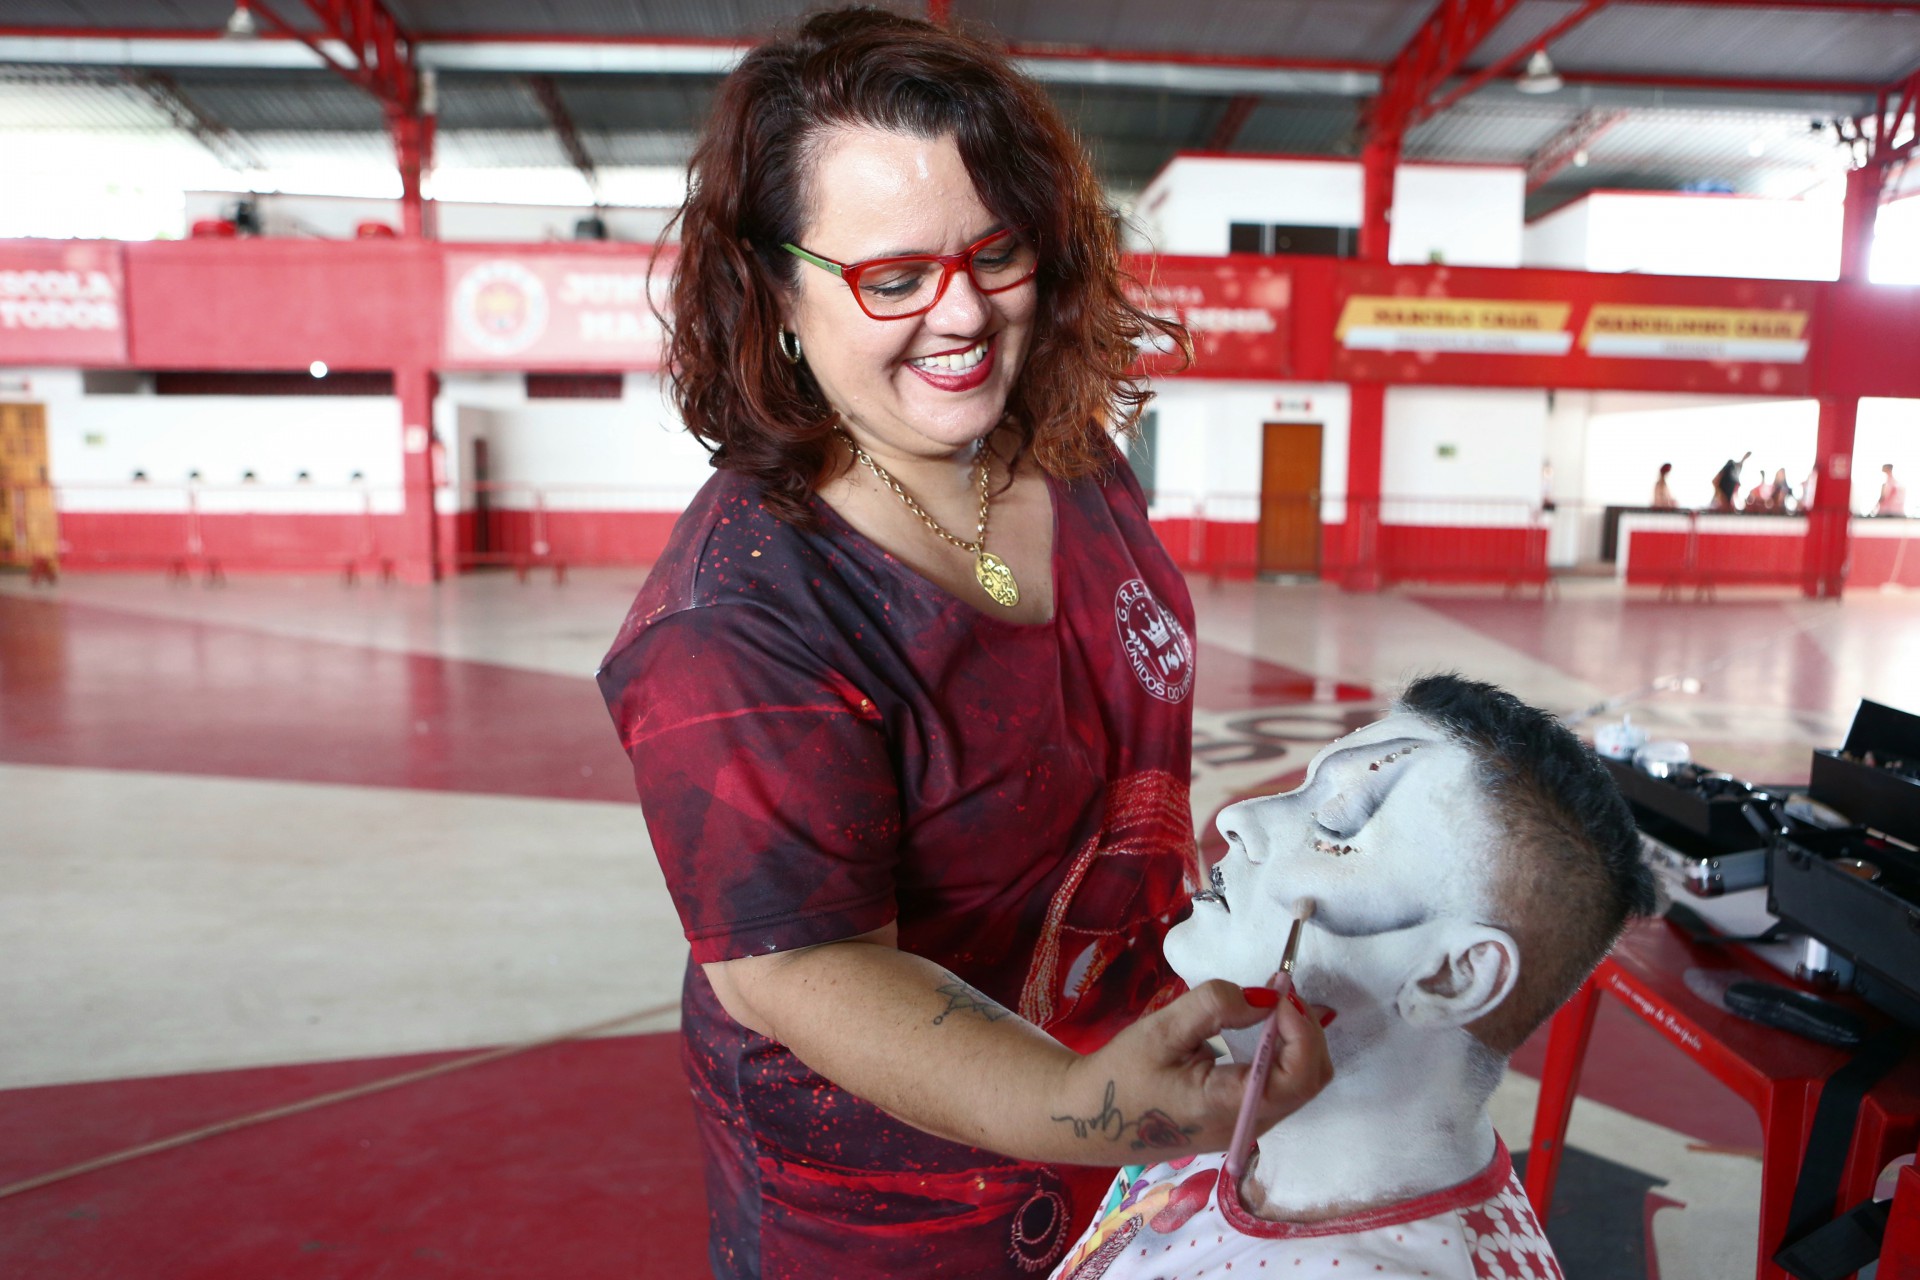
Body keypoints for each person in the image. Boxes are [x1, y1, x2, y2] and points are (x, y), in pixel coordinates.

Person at [596, 11, 1332, 1278]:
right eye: (893, 278)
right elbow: (798, 968)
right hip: (894, 1208)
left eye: (996, 252)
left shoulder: (1072, 456)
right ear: (777, 288)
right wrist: (1087, 1102)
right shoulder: (736, 616)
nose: (965, 313)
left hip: (1128, 1126)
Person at [1051, 674, 1657, 1280]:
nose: (1239, 817)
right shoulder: (1197, 1117)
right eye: (1300, 789)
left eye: (1336, 826)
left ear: (1452, 978)